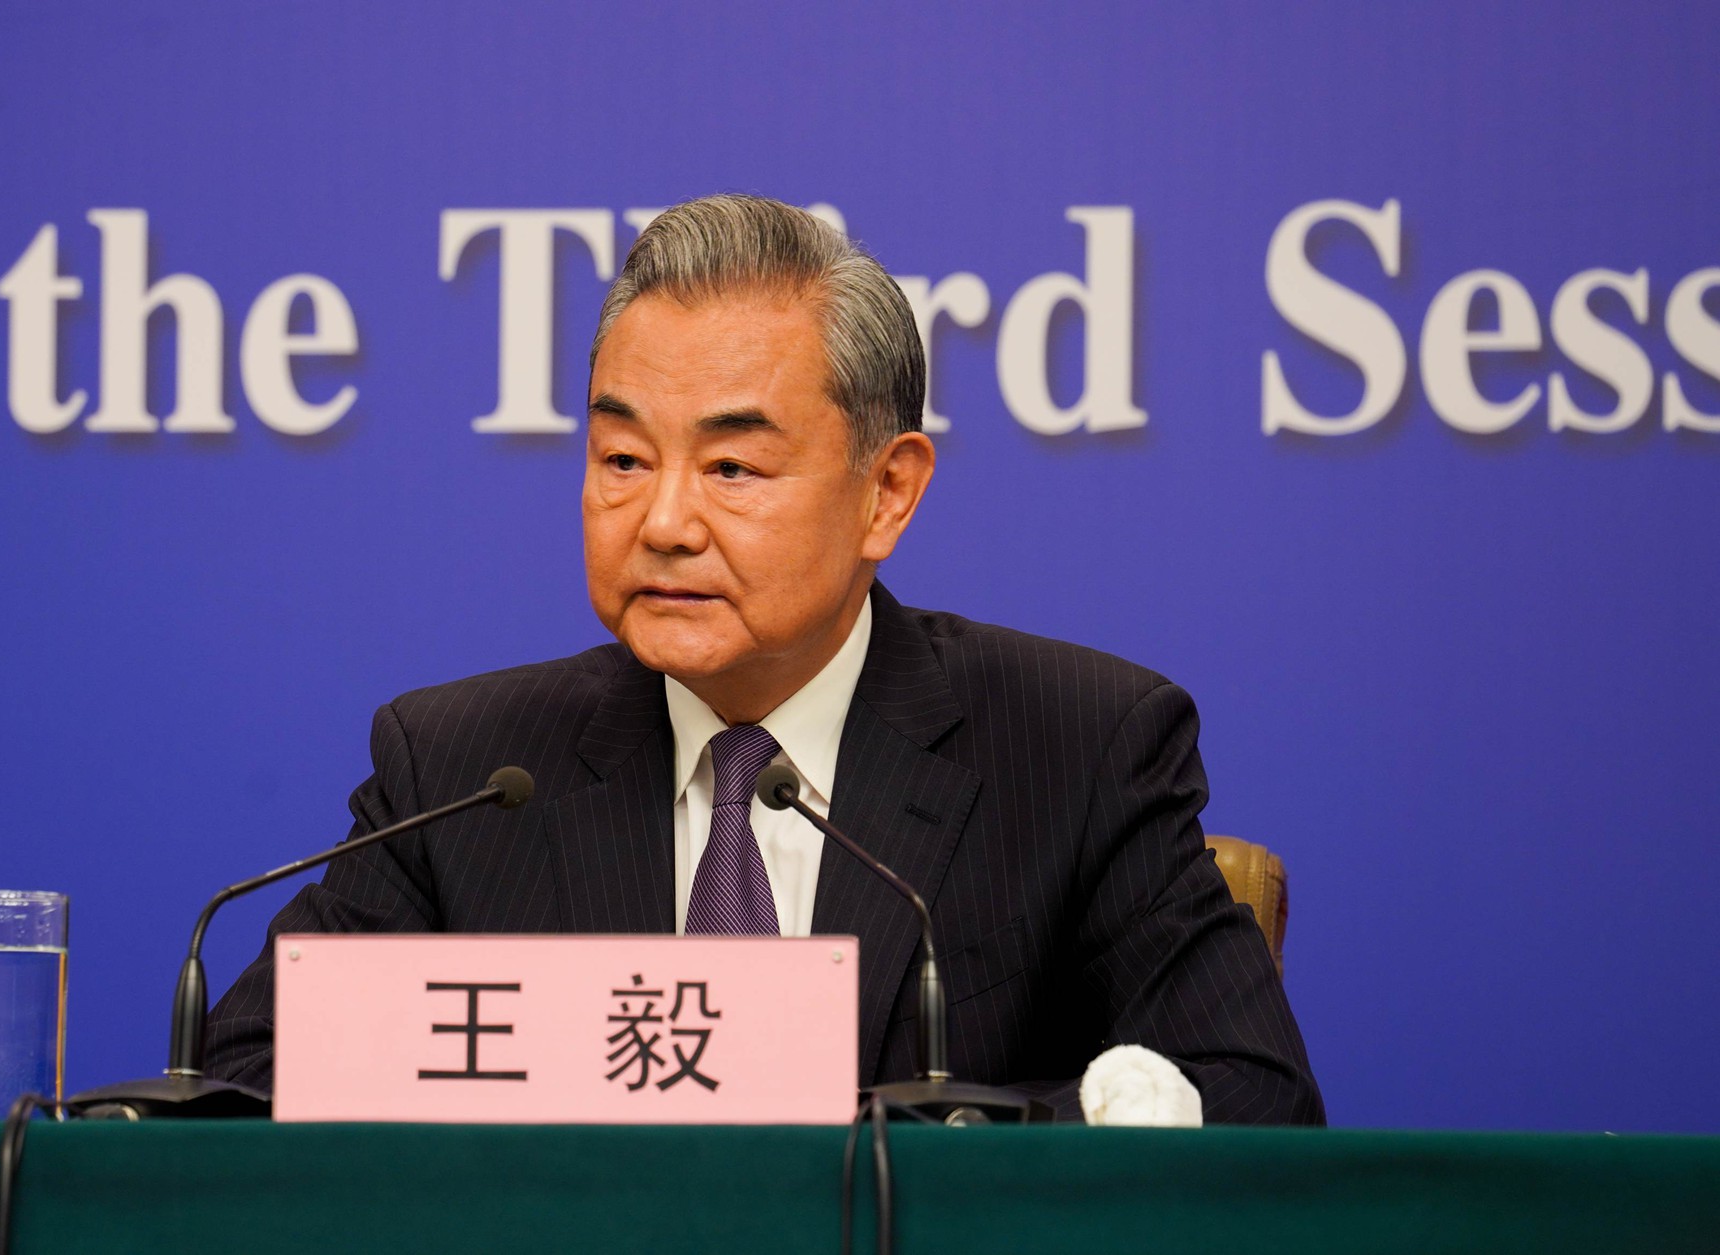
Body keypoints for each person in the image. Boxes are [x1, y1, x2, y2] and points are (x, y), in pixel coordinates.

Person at [206, 194, 1323, 1123]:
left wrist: (890, 1148)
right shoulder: (462, 771)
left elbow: (1249, 1096)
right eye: (623, 458)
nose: (664, 523)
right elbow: (238, 1089)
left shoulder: (1078, 747)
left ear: (888, 492)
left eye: (732, 469)